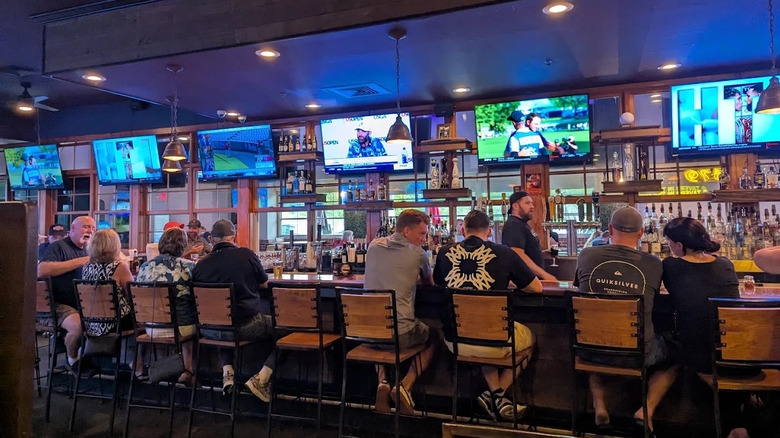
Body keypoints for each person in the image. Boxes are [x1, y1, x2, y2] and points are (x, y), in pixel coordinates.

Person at [433, 210, 542, 420]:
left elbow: (438, 281)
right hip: (493, 340)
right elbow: (536, 288)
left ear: (463, 230)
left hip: (455, 341)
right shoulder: (505, 253)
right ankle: (498, 394)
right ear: (490, 231)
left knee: (482, 332)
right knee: (526, 338)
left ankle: (494, 394)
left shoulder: (445, 252)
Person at [574, 206, 673, 432]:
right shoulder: (654, 264)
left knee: (595, 335)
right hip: (637, 353)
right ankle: (645, 410)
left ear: (609, 230)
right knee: (675, 354)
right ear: (641, 233)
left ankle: (600, 406)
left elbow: (577, 285)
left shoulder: (587, 254)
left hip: (588, 349)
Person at [192, 219, 275, 401]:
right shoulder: (246, 255)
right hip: (244, 327)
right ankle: (262, 378)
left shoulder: (200, 265)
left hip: (209, 331)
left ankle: (228, 373)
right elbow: (264, 283)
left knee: (221, 319)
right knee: (287, 327)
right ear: (234, 237)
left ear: (212, 240)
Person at [364, 209, 437, 415]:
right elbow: (429, 282)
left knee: (380, 327)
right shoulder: (418, 254)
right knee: (434, 337)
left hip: (365, 332)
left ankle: (382, 382)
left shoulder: (373, 246)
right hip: (401, 335)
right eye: (421, 234)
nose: (424, 239)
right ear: (406, 231)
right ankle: (404, 385)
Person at [136, 227, 198, 385]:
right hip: (180, 328)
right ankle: (187, 369)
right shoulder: (188, 267)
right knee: (192, 320)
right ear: (183, 245)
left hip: (151, 327)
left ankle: (147, 366)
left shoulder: (144, 267)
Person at [37, 216, 96, 372]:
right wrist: (82, 261)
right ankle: (73, 360)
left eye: (92, 228)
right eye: (85, 227)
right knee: (78, 326)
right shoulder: (58, 247)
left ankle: (98, 360)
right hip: (56, 303)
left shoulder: (89, 249)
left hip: (81, 302)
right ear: (73, 228)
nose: (89, 231)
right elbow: (42, 270)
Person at [81, 229, 133, 337]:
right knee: (147, 316)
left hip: (92, 321)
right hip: (116, 322)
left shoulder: (86, 267)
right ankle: (136, 353)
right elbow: (133, 295)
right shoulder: (119, 267)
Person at [502, 191, 556, 281]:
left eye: (532, 203)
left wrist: (540, 253)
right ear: (515, 206)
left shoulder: (522, 224)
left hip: (531, 280)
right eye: (527, 203)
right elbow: (518, 254)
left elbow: (524, 250)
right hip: (524, 283)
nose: (532, 206)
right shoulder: (513, 225)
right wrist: (544, 275)